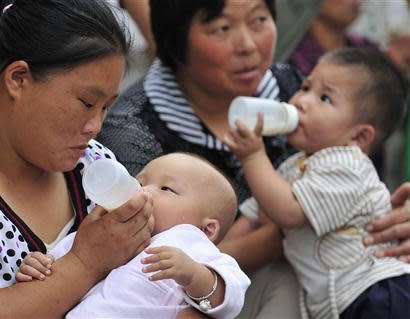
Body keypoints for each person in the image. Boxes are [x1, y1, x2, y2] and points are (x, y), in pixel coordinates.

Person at [96, 0, 410, 317]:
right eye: (222, 28)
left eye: (259, 20)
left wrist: (393, 218)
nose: (248, 45)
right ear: (175, 38)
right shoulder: (133, 132)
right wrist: (276, 234)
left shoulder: (293, 91)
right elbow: (141, 255)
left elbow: (351, 188)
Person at [0, 1, 158, 317]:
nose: (95, 127)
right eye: (86, 102)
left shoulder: (93, 164)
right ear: (19, 79)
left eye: (105, 107)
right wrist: (85, 263)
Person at [225, 48, 410, 319]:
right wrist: (210, 255)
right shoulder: (295, 165)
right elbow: (252, 217)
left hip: (377, 293)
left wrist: (253, 156)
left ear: (359, 137)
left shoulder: (348, 167)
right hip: (342, 302)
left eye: (324, 98)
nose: (302, 101)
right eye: (305, 87)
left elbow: (288, 213)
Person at [16, 152, 251, 319]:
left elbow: (232, 296)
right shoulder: (110, 229)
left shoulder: (193, 245)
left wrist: (193, 274)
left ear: (207, 229)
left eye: (166, 189)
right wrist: (38, 265)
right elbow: (65, 260)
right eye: (139, 181)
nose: (143, 191)